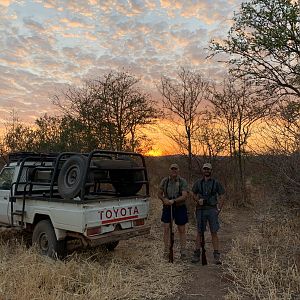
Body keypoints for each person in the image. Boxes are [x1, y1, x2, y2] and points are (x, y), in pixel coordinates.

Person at [191, 162, 225, 264]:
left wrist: (219, 208)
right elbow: (192, 193)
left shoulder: (216, 183)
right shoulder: (198, 183)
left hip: (212, 210)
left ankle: (216, 254)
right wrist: (197, 200)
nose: (206, 171)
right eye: (205, 169)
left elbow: (222, 195)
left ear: (211, 171)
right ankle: (197, 253)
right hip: (200, 210)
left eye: (208, 169)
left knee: (214, 232)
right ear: (203, 170)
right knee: (199, 233)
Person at [158, 163, 188, 259]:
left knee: (181, 229)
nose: (174, 171)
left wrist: (174, 201)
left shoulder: (182, 181)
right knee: (166, 228)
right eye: (172, 169)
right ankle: (166, 250)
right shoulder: (165, 181)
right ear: (170, 170)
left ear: (178, 170)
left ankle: (183, 251)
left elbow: (184, 196)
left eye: (175, 169)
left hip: (180, 206)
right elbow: (159, 194)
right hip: (167, 206)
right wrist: (164, 200)